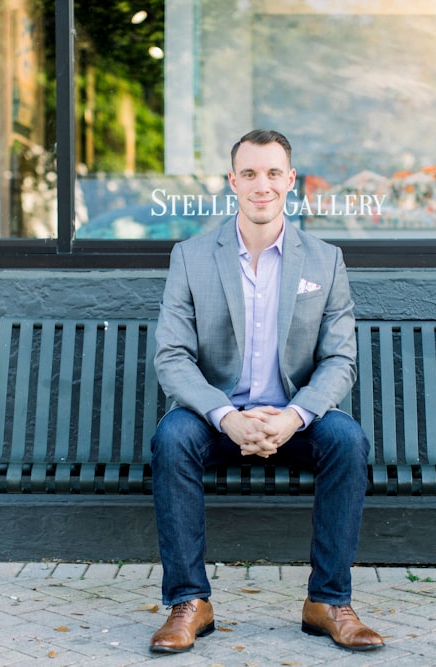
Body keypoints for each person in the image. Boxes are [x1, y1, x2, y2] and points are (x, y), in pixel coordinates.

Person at [148, 129, 384, 654]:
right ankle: (189, 602)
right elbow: (172, 356)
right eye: (250, 174)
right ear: (233, 181)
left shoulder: (324, 260)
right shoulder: (191, 257)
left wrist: (295, 416)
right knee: (171, 438)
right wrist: (225, 415)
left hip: (295, 418)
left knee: (347, 440)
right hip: (216, 418)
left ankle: (329, 601)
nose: (262, 185)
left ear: (290, 180)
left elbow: (340, 358)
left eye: (273, 173)